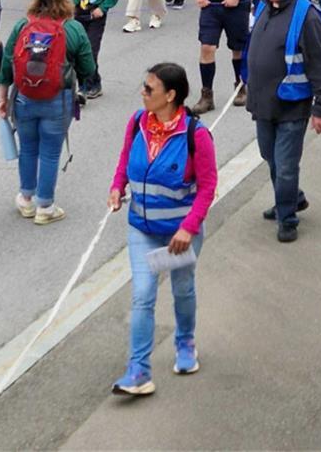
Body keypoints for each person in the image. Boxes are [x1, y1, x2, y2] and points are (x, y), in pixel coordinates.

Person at [108, 62, 217, 395]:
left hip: (180, 237)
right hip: (141, 228)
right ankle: (138, 371)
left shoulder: (195, 134)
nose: (143, 92)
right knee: (143, 295)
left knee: (182, 288)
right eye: (144, 86)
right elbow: (125, 159)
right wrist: (117, 187)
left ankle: (185, 343)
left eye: (149, 89)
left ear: (170, 96)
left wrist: (188, 228)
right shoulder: (138, 123)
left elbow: (209, 185)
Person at [246, 0, 321, 242]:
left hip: (291, 106)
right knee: (269, 156)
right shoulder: (262, 5)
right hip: (263, 104)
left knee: (285, 165)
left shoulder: (307, 17)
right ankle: (292, 197)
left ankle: (288, 219)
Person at [0, 0, 95, 225]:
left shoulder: (24, 24)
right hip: (58, 98)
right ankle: (46, 206)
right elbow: (88, 68)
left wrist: (3, 99)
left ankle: (26, 199)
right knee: (50, 154)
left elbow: (7, 62)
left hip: (24, 97)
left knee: (28, 148)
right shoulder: (73, 28)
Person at [64, 0, 119, 102]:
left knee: (91, 51)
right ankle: (85, 84)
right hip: (78, 14)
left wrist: (102, 8)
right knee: (76, 51)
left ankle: (92, 85)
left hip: (95, 15)